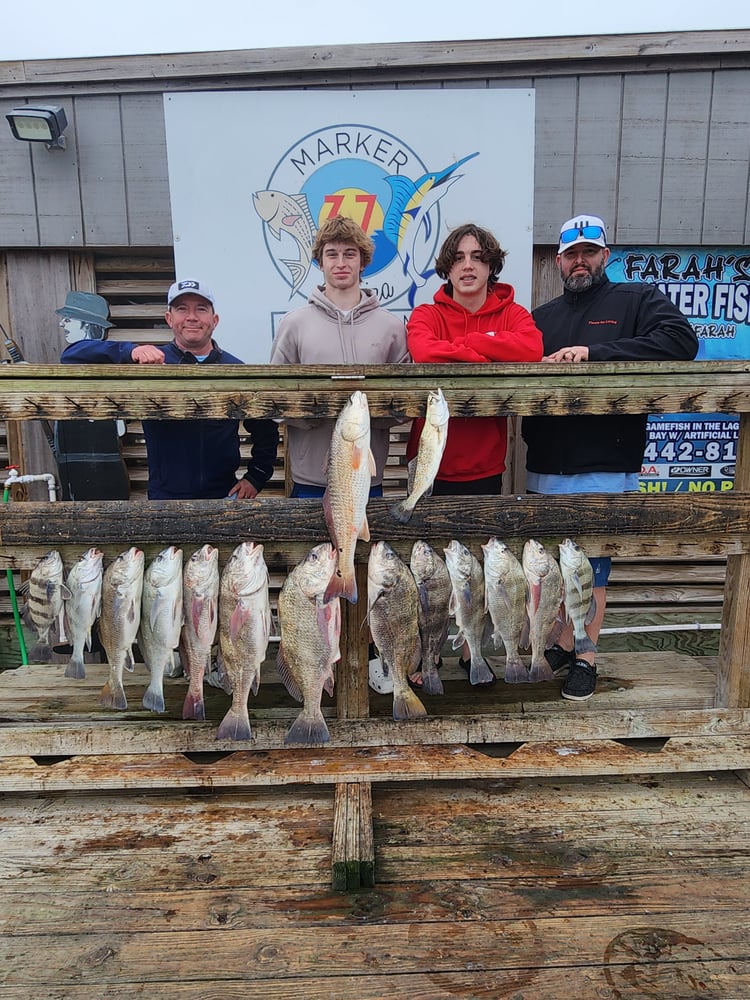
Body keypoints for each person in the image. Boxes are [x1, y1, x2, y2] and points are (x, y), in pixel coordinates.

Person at [522, 212, 699, 702]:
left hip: (605, 461)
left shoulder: (638, 299)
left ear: (606, 255)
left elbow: (681, 343)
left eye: (589, 251)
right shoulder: (543, 316)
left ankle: (586, 656)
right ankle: (560, 640)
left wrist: (594, 352)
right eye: (571, 253)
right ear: (558, 260)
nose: (580, 261)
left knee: (591, 568)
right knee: (556, 566)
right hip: (546, 462)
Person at [405, 222, 544, 686]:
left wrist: (464, 348)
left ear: (491, 266)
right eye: (459, 257)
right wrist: (489, 352)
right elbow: (424, 352)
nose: (468, 265)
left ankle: (471, 652)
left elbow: (530, 348)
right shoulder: (426, 313)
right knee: (427, 569)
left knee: (477, 570)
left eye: (478, 257)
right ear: (447, 266)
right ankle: (423, 659)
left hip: (484, 465)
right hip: (428, 467)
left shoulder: (515, 313)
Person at [61, 279, 279, 500]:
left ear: (214, 320)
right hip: (164, 499)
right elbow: (71, 356)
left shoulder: (235, 370)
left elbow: (266, 431)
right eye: (182, 309)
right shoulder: (149, 364)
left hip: (224, 497)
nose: (191, 317)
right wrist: (130, 352)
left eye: (200, 309)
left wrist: (256, 477)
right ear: (169, 319)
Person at [269, 216, 409, 497]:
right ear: (320, 262)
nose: (341, 262)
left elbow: (404, 403)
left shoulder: (391, 326)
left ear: (363, 261)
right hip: (311, 479)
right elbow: (274, 399)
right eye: (331, 254)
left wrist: (366, 418)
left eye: (349, 253)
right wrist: (315, 412)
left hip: (366, 477)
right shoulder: (294, 323)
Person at [54, 291, 130, 501]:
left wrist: (131, 351)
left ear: (87, 324)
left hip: (99, 446)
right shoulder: (85, 356)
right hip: (73, 450)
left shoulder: (80, 353)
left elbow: (85, 351)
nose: (62, 324)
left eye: (68, 319)